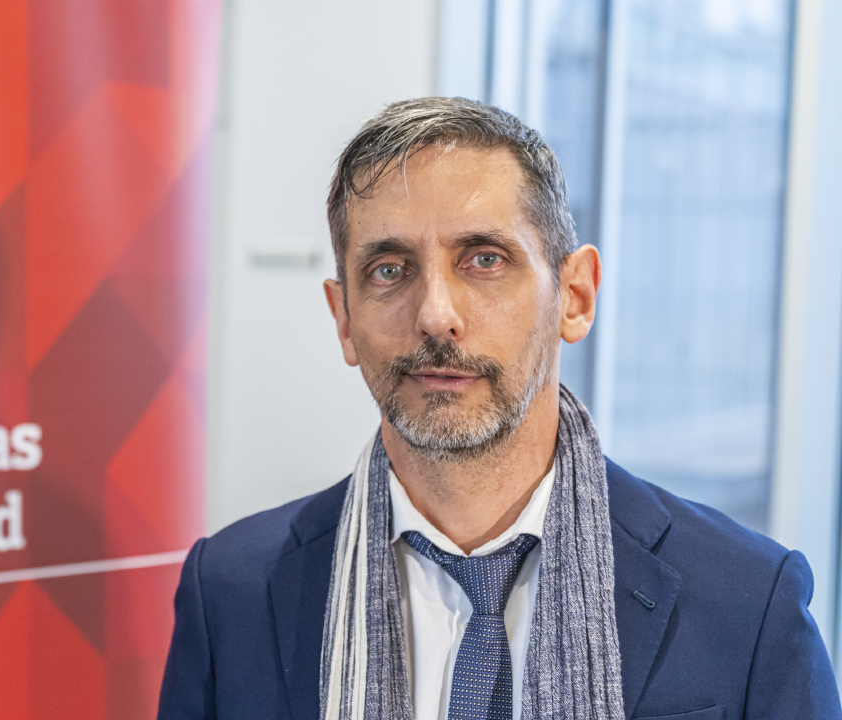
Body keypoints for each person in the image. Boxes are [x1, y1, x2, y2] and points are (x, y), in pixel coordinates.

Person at [157, 97, 841, 720]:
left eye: (484, 260)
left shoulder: (746, 604)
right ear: (343, 319)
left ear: (574, 297)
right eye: (389, 270)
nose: (435, 315)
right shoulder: (231, 594)